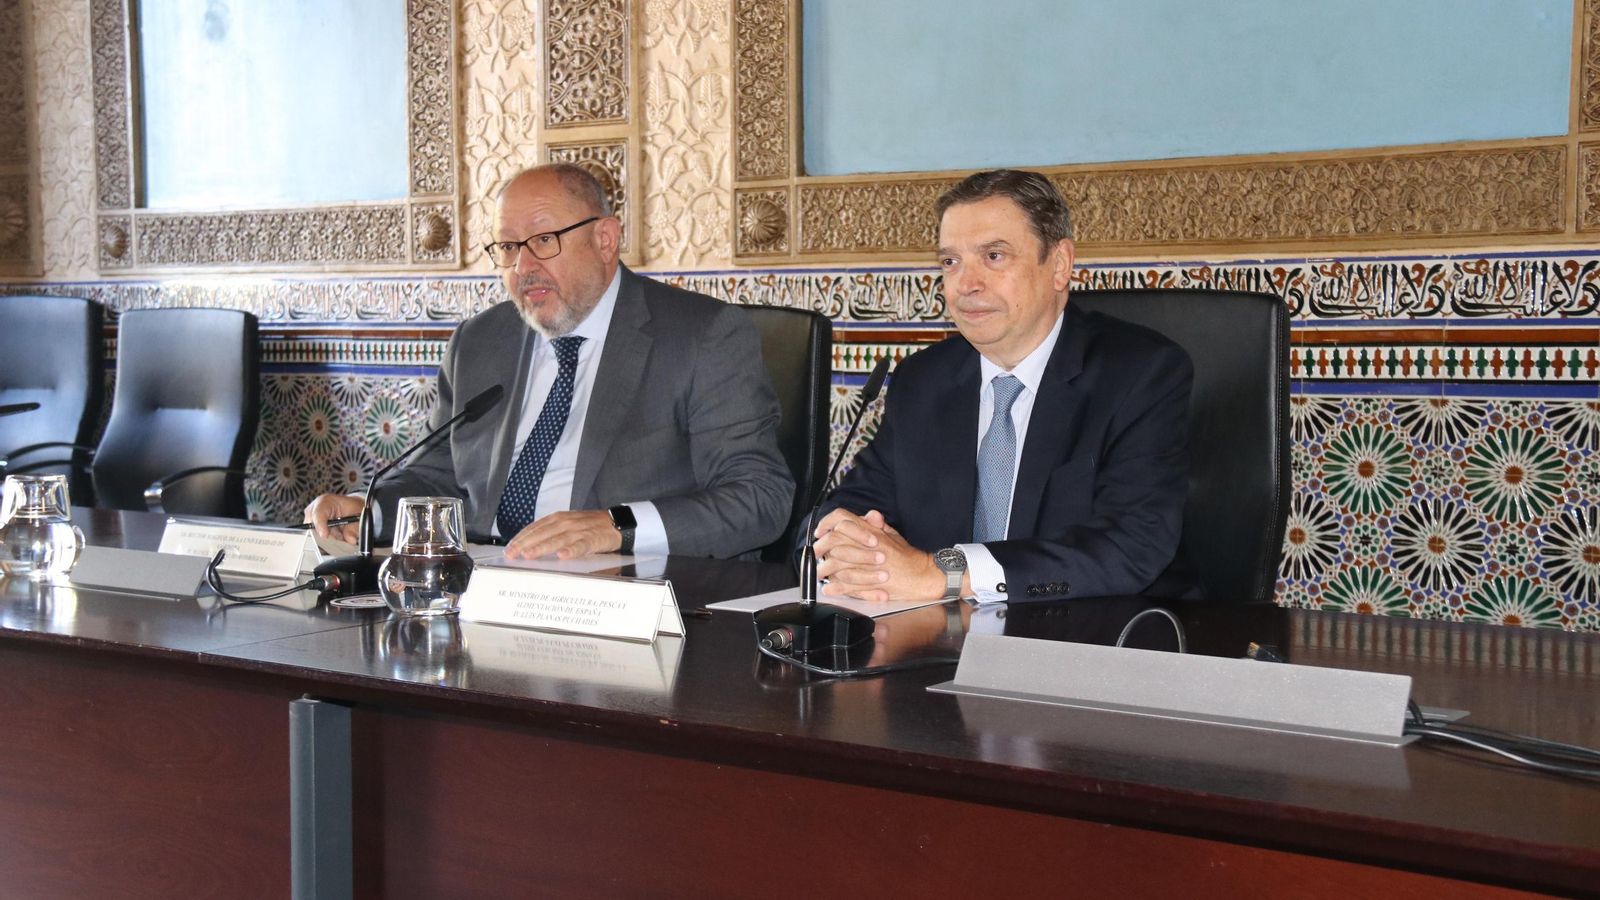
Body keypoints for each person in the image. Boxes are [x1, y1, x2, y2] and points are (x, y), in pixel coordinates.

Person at [305, 164, 794, 560]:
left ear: (605, 240)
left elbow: (758, 499)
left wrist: (616, 526)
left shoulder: (701, 335)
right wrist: (368, 512)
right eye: (508, 247)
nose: (523, 267)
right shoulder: (480, 340)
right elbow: (438, 478)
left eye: (543, 240)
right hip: (482, 585)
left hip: (624, 598)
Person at [813, 169, 1193, 603]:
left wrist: (942, 575)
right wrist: (847, 547)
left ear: (1060, 265)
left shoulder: (1140, 373)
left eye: (994, 256)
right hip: (940, 642)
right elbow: (847, 511)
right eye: (950, 261)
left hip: (1092, 642)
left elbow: (1131, 546)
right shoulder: (923, 380)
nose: (966, 284)